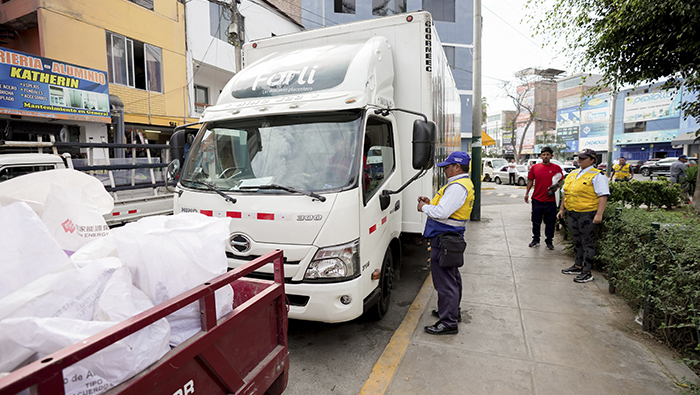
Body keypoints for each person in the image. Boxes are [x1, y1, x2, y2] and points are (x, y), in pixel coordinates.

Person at [417, 151, 474, 335]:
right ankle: (452, 312)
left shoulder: (457, 187)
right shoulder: (462, 184)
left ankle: (448, 322)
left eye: (447, 167)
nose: (444, 171)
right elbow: (446, 208)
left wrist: (424, 207)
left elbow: (442, 213)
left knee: (444, 282)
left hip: (444, 240)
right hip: (449, 239)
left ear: (457, 167)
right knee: (452, 277)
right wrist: (431, 203)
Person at [557, 148, 610, 283]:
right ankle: (577, 265)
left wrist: (599, 214)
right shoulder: (573, 174)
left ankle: (587, 272)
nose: (579, 160)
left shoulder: (598, 175)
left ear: (592, 160)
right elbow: (566, 194)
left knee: (587, 243)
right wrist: (562, 209)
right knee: (577, 241)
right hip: (572, 213)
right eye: (578, 158)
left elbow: (603, 196)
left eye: (583, 158)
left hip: (587, 214)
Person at [524, 147, 563, 250]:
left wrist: (555, 188)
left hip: (551, 200)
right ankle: (535, 239)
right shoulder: (535, 168)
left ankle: (549, 241)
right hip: (537, 199)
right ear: (541, 156)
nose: (545, 156)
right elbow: (530, 180)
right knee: (536, 221)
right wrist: (527, 193)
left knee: (550, 222)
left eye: (548, 154)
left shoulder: (556, 168)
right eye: (544, 154)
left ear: (551, 156)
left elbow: (561, 181)